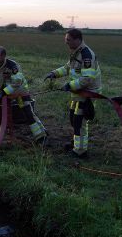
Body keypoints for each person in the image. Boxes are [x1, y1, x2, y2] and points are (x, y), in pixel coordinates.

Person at [44, 29, 102, 158]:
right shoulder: (76, 52)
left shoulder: (87, 55)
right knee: (73, 118)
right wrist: (54, 73)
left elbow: (87, 79)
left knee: (79, 121)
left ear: (77, 39)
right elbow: (67, 67)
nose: (66, 43)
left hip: (87, 94)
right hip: (77, 93)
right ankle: (76, 143)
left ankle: (80, 151)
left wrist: (69, 85)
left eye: (68, 40)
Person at [0, 46, 47, 144]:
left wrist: (3, 92)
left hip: (20, 92)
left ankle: (41, 136)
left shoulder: (13, 66)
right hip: (4, 92)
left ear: (3, 56)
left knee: (28, 113)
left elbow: (17, 83)